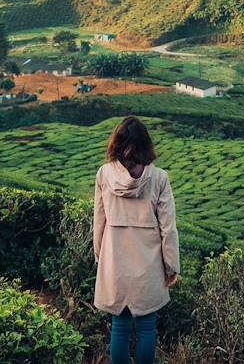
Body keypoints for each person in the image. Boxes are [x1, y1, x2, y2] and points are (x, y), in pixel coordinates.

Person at [94, 116, 180, 364]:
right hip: (148, 265)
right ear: (146, 144)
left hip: (116, 263)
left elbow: (99, 220)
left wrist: (101, 257)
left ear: (116, 144)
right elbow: (168, 228)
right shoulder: (159, 178)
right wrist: (171, 265)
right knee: (146, 329)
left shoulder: (104, 175)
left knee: (119, 328)